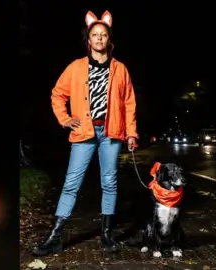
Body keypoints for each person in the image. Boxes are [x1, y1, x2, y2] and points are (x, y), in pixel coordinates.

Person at [32, 10, 138, 256]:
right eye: (95, 35)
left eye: (103, 35)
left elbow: (129, 102)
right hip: (84, 133)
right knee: (71, 184)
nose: (99, 39)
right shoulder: (76, 67)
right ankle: (54, 236)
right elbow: (58, 94)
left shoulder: (120, 69)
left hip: (111, 133)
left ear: (109, 41)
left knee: (109, 183)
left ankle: (106, 235)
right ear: (88, 40)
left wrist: (131, 133)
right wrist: (65, 119)